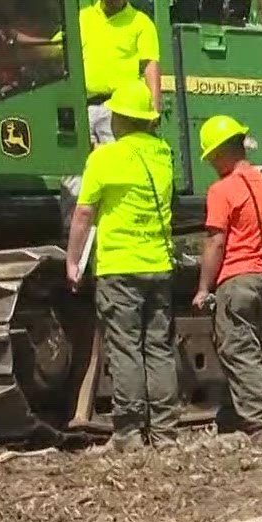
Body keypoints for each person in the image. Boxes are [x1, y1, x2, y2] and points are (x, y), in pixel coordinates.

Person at [65, 78, 177, 449]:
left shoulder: (104, 158)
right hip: (159, 264)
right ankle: (164, 431)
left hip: (120, 266)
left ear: (119, 119)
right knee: (158, 347)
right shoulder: (163, 154)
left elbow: (84, 212)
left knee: (126, 347)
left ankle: (128, 432)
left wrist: (73, 259)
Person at [41, 0, 161, 203]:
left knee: (118, 170)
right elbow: (54, 49)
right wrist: (19, 45)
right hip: (83, 107)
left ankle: (113, 223)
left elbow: (150, 65)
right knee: (75, 173)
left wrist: (155, 109)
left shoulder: (140, 23)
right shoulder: (82, 18)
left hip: (118, 110)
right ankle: (73, 229)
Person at [191, 115, 262, 433]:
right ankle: (231, 419)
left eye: (213, 157)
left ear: (221, 152)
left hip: (236, 280)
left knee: (236, 349)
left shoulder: (222, 190)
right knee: (250, 347)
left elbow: (216, 241)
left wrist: (204, 287)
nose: (213, 164)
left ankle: (258, 425)